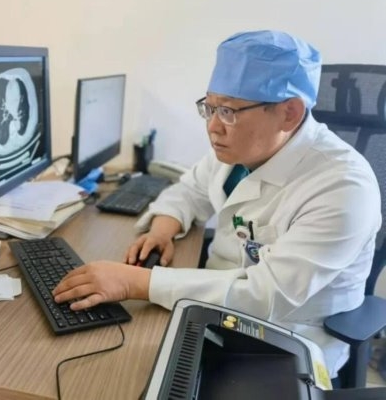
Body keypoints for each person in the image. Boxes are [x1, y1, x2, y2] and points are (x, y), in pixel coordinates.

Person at [53, 30, 382, 377]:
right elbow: (189, 191)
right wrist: (164, 229)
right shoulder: (241, 149)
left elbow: (265, 295)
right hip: (211, 306)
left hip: (287, 337)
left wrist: (137, 283)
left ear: (290, 113)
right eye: (209, 107)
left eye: (228, 111)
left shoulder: (343, 187)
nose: (213, 127)